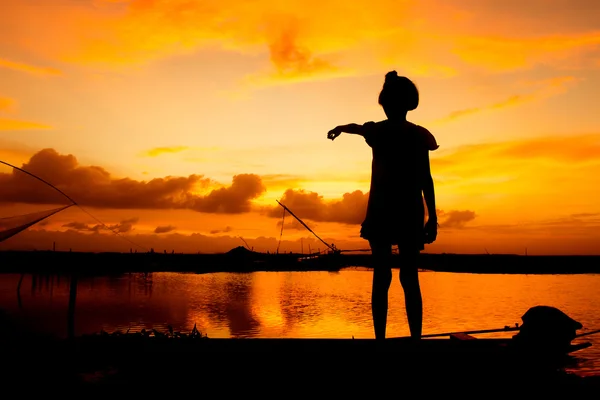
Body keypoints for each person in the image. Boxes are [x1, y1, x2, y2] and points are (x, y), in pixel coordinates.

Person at [326, 71, 439, 339]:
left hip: (381, 211)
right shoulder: (418, 135)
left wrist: (341, 128)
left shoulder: (379, 131)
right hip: (410, 211)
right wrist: (432, 216)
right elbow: (426, 178)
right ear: (408, 104)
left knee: (382, 277)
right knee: (410, 278)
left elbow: (358, 127)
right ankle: (415, 340)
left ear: (386, 104)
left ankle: (380, 340)